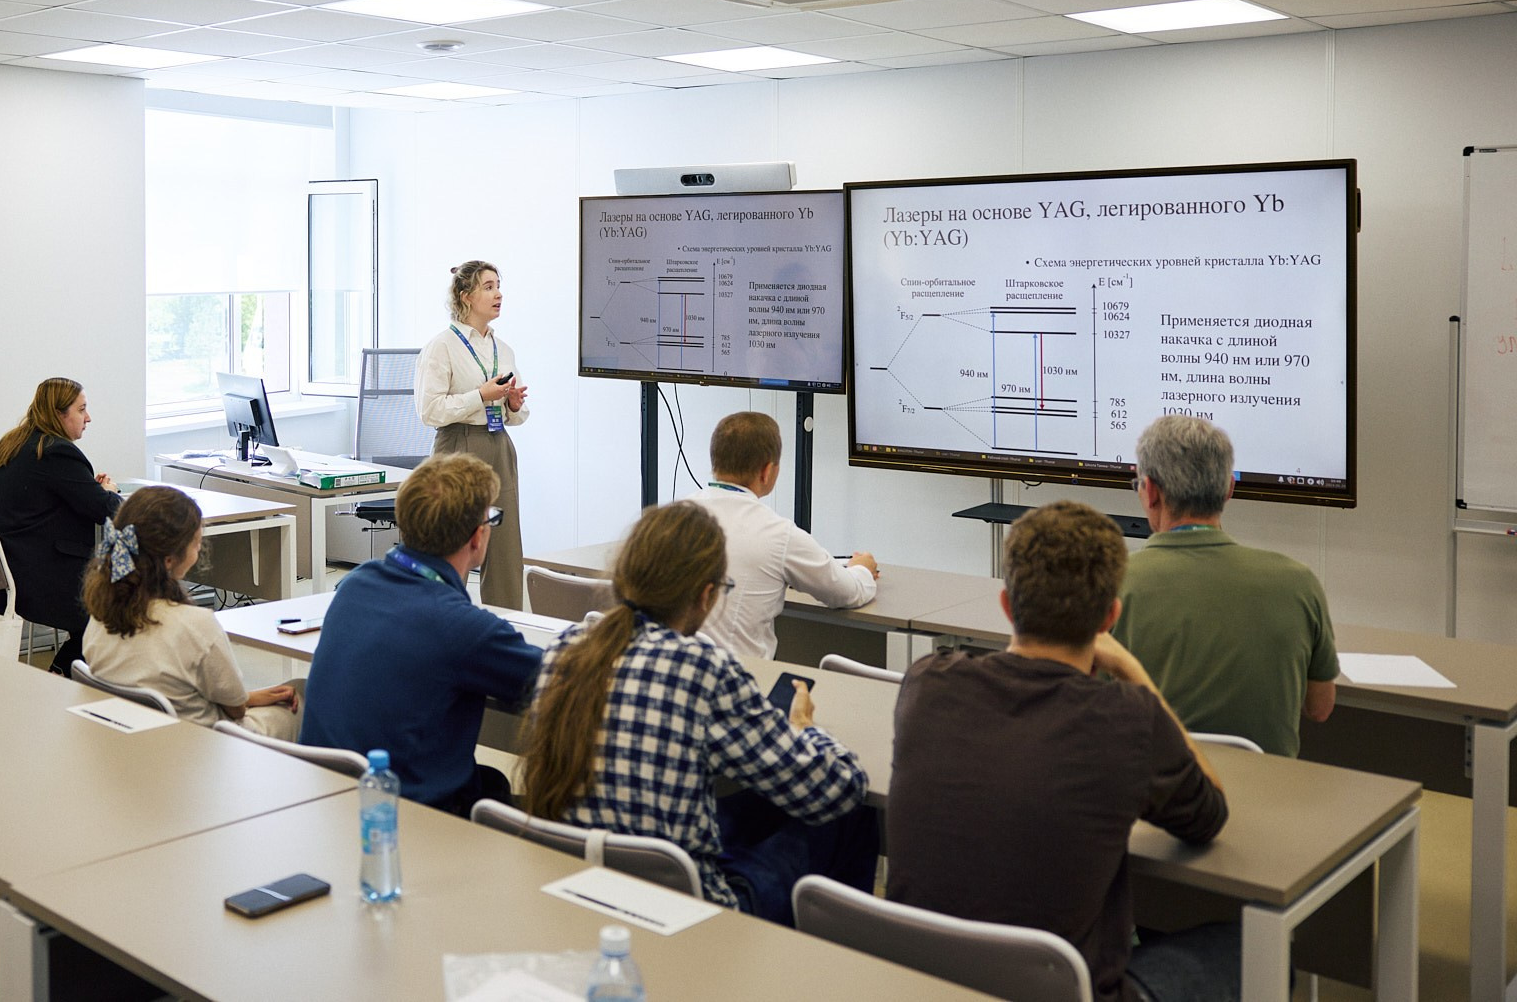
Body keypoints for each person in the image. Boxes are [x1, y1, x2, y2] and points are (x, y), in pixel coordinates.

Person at [886, 500, 1232, 1002]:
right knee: (1243, 947)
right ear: (1110, 617)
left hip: (924, 984)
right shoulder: (1127, 716)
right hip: (1070, 992)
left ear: (1006, 605)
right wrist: (1136, 674)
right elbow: (1209, 816)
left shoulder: (926, 684)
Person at [522, 500, 877, 926]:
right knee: (852, 813)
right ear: (707, 594)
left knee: (751, 801)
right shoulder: (703, 667)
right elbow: (838, 788)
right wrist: (803, 729)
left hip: (579, 884)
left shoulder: (566, 650)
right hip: (689, 910)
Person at [300, 453, 540, 814]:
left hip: (327, 802)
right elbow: (560, 680)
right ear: (478, 537)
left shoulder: (353, 585)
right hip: (410, 817)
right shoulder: (464, 629)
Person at [1113, 414, 1339, 757]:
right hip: (1267, 797)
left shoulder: (1111, 582)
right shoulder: (1297, 582)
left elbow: (1092, 704)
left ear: (1152, 492)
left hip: (1151, 799)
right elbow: (1320, 707)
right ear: (1229, 489)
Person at [81, 486, 300, 737]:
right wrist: (249, 699)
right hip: (210, 745)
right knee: (302, 693)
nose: (198, 551)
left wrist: (250, 697)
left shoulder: (99, 614)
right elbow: (236, 709)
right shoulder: (195, 624)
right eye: (196, 543)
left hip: (142, 738)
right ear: (170, 560)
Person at [691, 411, 877, 659]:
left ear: (715, 461)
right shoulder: (778, 534)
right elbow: (846, 593)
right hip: (741, 682)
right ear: (767, 471)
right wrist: (862, 569)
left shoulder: (671, 518)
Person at [0, 378, 121, 676]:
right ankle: (62, 673)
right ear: (59, 414)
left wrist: (88, 490)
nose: (88, 417)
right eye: (81, 409)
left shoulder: (14, 442)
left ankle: (63, 672)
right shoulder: (57, 452)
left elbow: (48, 495)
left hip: (3, 573)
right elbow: (104, 510)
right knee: (114, 606)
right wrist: (110, 493)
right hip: (36, 578)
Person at [414, 260, 528, 609]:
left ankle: (503, 628)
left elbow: (520, 415)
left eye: (498, 285)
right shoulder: (442, 346)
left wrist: (510, 403)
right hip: (458, 446)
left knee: (506, 549)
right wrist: (480, 395)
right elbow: (428, 410)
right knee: (454, 543)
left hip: (498, 446)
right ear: (466, 297)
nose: (499, 294)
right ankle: (440, 622)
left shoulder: (502, 349)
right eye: (489, 287)